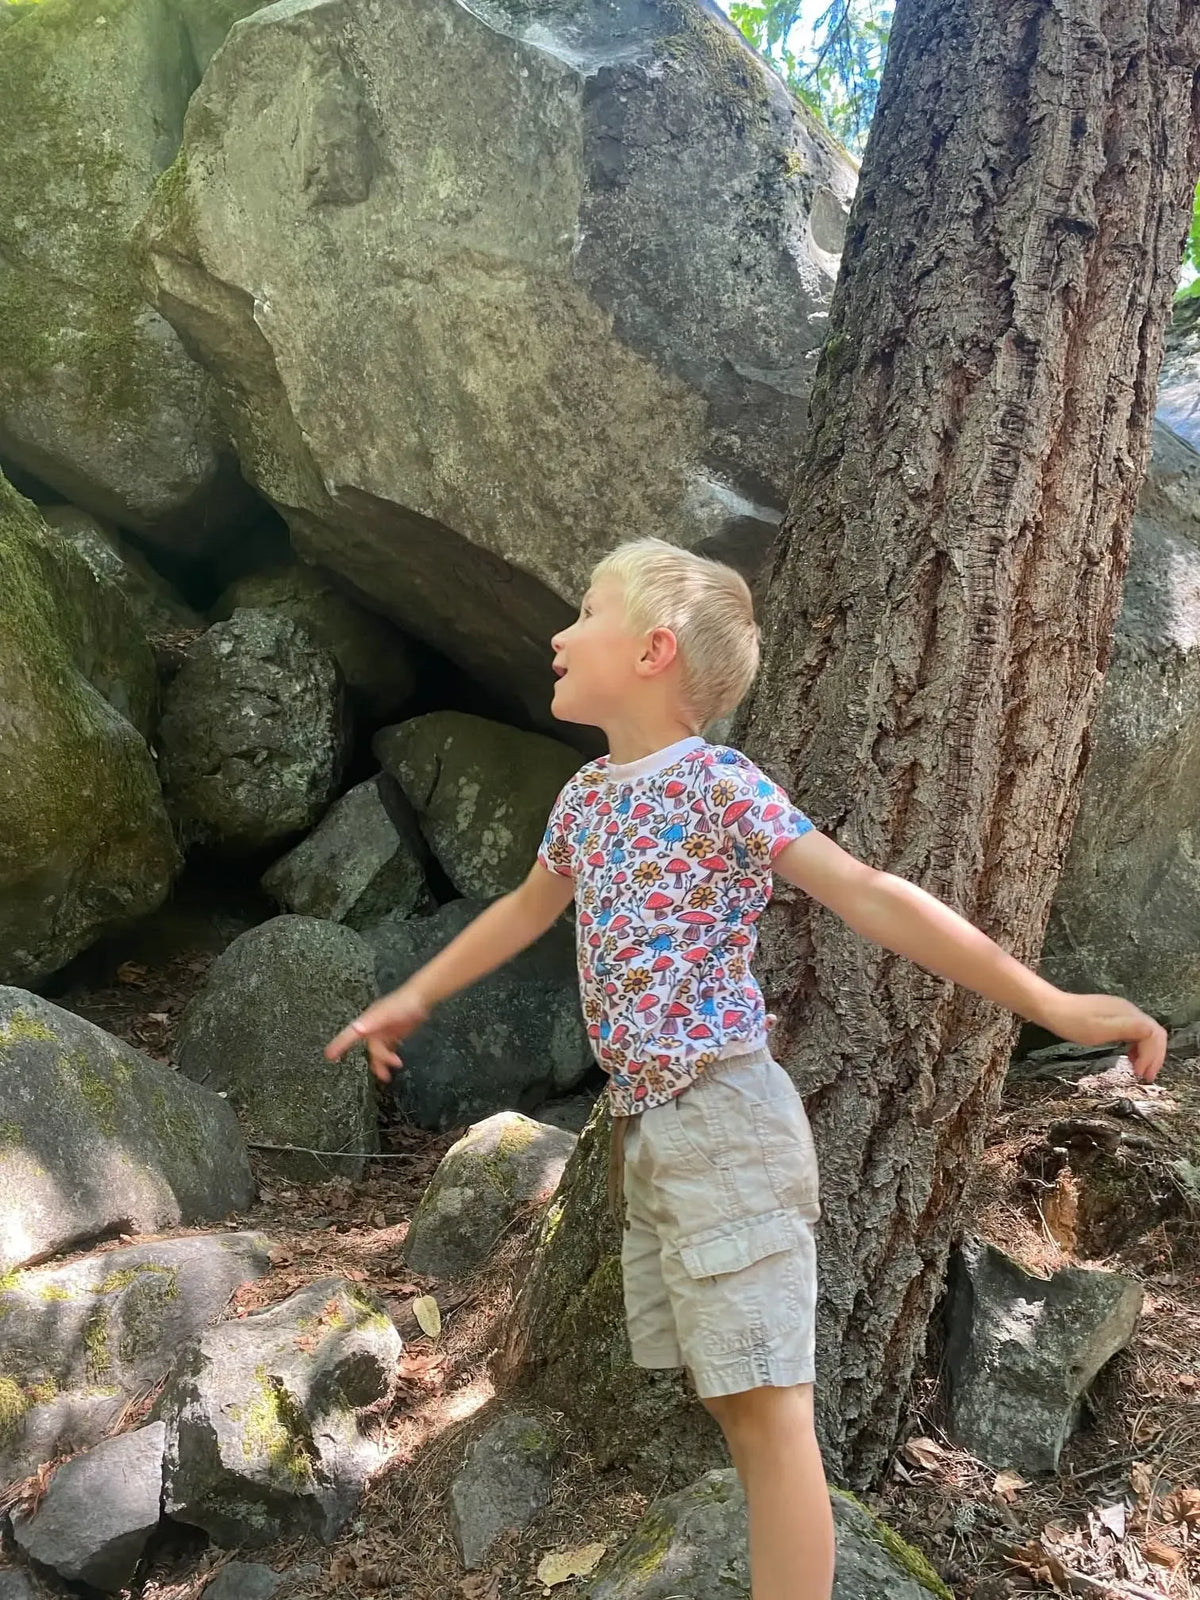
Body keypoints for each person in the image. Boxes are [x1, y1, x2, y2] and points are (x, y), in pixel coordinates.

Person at [327, 537, 1166, 1600]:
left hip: (725, 1118)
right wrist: (415, 990)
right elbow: (523, 910)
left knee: (771, 1418)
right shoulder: (590, 797)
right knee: (737, 1404)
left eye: (585, 610)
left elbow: (866, 892)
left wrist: (1044, 1000)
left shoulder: (721, 784)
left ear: (653, 650)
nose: (557, 631)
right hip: (656, 1137)